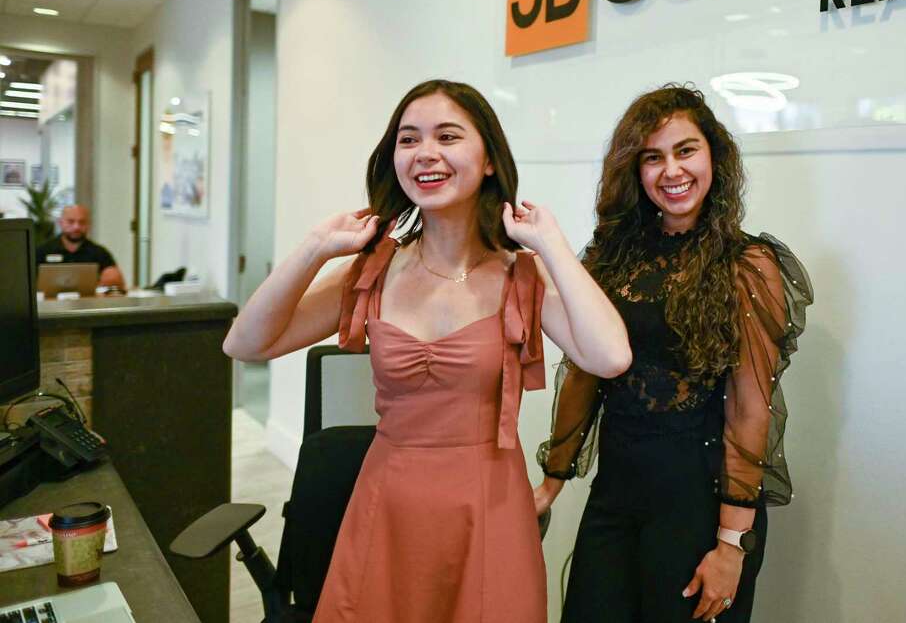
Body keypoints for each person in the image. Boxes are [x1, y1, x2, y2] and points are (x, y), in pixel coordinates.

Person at [222, 79, 632, 623]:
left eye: (448, 136)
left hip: (487, 510)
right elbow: (244, 343)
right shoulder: (373, 270)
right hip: (388, 505)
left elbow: (610, 357)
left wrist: (552, 245)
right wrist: (316, 247)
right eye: (409, 139)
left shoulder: (521, 276)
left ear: (488, 159)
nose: (426, 154)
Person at [534, 85, 812, 622]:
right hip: (616, 497)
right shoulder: (610, 258)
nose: (671, 171)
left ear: (714, 156)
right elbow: (584, 376)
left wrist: (732, 544)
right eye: (652, 157)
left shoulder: (748, 265)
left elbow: (752, 408)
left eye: (685, 150)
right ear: (634, 172)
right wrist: (551, 481)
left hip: (701, 506)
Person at [36, 204, 126, 290]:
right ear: (60, 223)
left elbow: (116, 282)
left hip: (89, 304)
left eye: (82, 222)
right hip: (50, 304)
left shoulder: (100, 253)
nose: (76, 227)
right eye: (71, 221)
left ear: (89, 224)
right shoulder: (42, 251)